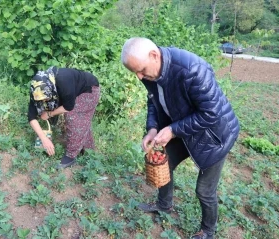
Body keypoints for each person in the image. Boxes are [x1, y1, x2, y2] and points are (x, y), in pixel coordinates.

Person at [121, 37, 240, 239]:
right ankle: (163, 205)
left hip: (215, 134)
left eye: (140, 70)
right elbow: (154, 102)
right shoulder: (150, 73)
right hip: (184, 125)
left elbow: (211, 113)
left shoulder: (191, 69)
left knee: (204, 190)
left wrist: (173, 130)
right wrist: (152, 128)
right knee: (164, 164)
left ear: (154, 55)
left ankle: (208, 231)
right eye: (135, 73)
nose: (139, 77)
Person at [28, 66, 100, 169]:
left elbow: (68, 107)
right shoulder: (36, 89)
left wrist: (49, 114)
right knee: (82, 121)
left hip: (88, 90)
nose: (44, 101)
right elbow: (31, 117)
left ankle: (71, 156)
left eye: (46, 98)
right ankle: (88, 150)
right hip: (71, 91)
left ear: (51, 89)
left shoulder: (63, 81)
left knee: (74, 118)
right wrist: (43, 138)